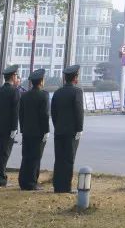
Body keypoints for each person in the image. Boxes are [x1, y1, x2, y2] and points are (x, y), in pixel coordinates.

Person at [51, 64, 84, 193]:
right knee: (69, 159)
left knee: (59, 158)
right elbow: (78, 111)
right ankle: (65, 186)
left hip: (59, 130)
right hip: (71, 131)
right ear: (75, 78)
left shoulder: (57, 92)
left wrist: (57, 125)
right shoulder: (77, 92)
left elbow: (53, 112)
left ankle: (57, 186)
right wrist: (79, 128)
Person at [0, 65, 20, 187]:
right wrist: (14, 128)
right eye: (16, 75)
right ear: (13, 77)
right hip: (7, 129)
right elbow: (15, 111)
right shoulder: (14, 92)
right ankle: (0, 180)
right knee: (4, 154)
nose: (17, 77)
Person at [17, 68, 49, 190]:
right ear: (41, 81)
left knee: (26, 157)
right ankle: (31, 183)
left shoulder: (25, 95)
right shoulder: (43, 95)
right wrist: (46, 131)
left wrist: (22, 129)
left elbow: (21, 114)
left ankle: (23, 182)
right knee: (35, 158)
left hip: (27, 131)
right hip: (38, 132)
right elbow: (44, 115)